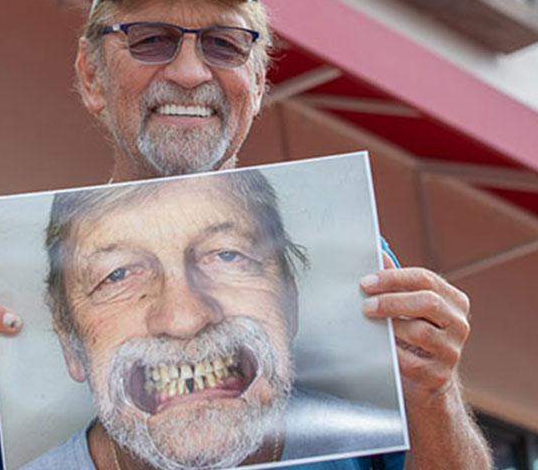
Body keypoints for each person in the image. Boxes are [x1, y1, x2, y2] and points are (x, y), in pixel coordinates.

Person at [0, 0, 491, 470]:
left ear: (258, 82)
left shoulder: (363, 260)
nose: (190, 72)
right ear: (92, 76)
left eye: (224, 44)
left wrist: (434, 393)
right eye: (150, 39)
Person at [25, 169, 405, 470]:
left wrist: (435, 395)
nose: (184, 318)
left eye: (226, 255)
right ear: (70, 344)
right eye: (119, 274)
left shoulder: (375, 440)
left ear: (290, 301)